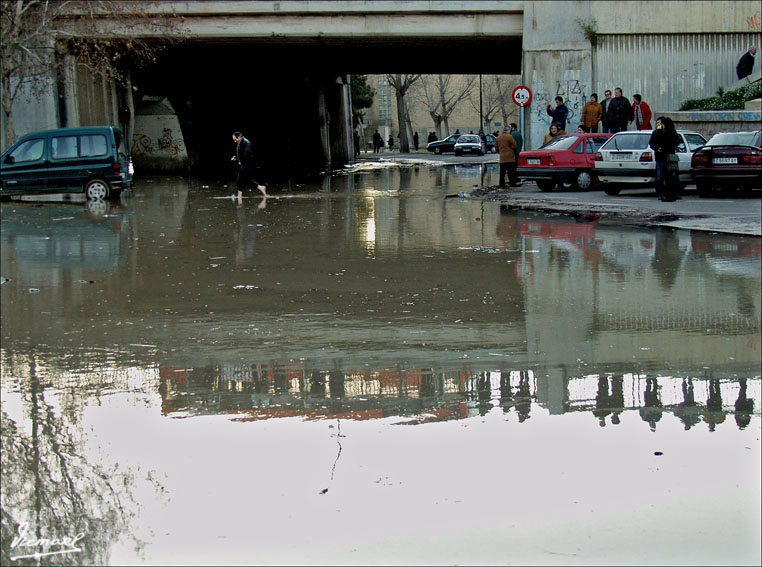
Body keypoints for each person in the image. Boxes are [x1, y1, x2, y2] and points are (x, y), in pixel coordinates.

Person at [649, 116, 681, 202]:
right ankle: (660, 193)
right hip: (660, 157)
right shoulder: (656, 133)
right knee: (660, 176)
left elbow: (677, 141)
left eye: (661, 123)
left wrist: (673, 146)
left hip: (669, 157)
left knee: (672, 176)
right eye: (658, 123)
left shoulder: (671, 132)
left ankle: (674, 193)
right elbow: (652, 144)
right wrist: (657, 148)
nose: (659, 125)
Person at [231, 131, 267, 198]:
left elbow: (247, 154)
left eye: (235, 139)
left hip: (248, 165)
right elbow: (240, 152)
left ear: (238, 137)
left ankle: (239, 196)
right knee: (244, 180)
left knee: (240, 180)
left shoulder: (246, 142)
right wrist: (236, 157)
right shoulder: (240, 142)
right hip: (243, 164)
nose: (234, 141)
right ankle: (260, 188)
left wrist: (241, 161)